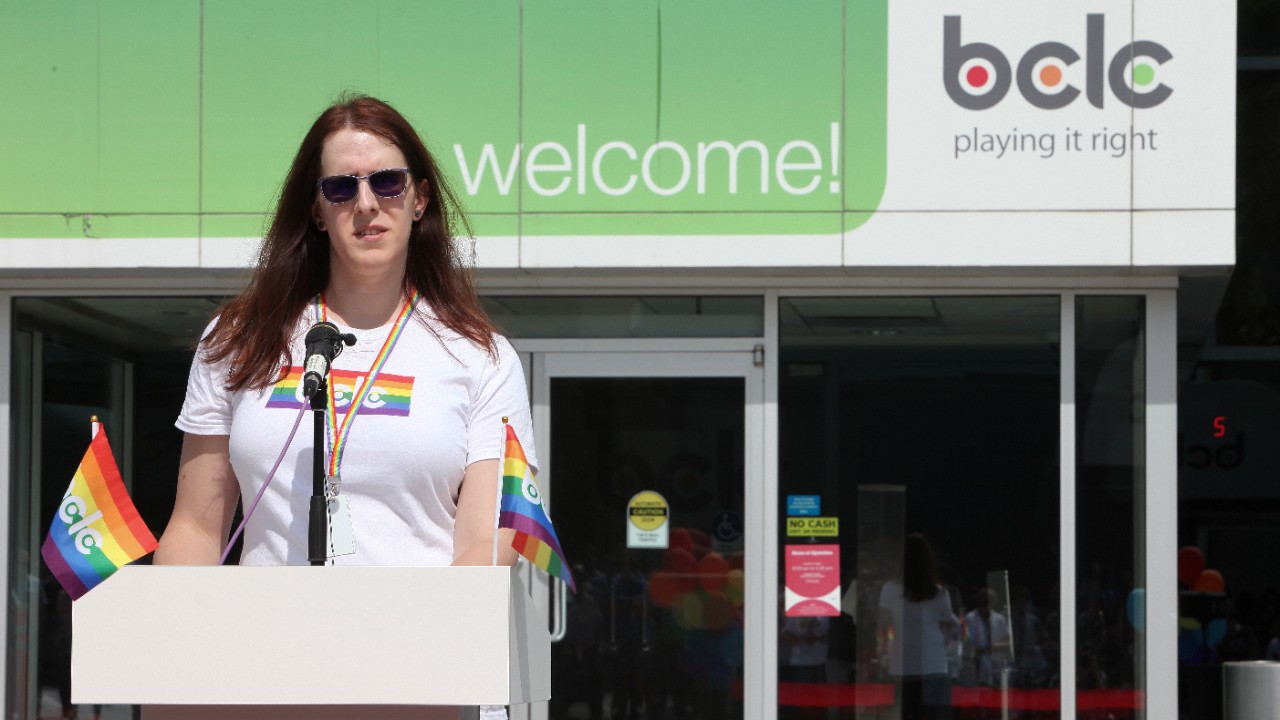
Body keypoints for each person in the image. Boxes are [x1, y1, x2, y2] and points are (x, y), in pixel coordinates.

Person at [154, 94, 533, 719]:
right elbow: (196, 526)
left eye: (387, 181)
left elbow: (488, 542)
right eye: (340, 187)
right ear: (316, 208)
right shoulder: (237, 337)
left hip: (407, 690)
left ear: (420, 197)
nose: (365, 204)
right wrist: (169, 669)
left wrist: (428, 655)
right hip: (254, 680)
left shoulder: (480, 358)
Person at [878, 533, 958, 720]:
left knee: (906, 713)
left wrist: (882, 649)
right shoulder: (940, 593)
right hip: (934, 663)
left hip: (902, 664)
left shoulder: (890, 589)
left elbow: (882, 626)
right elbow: (949, 625)